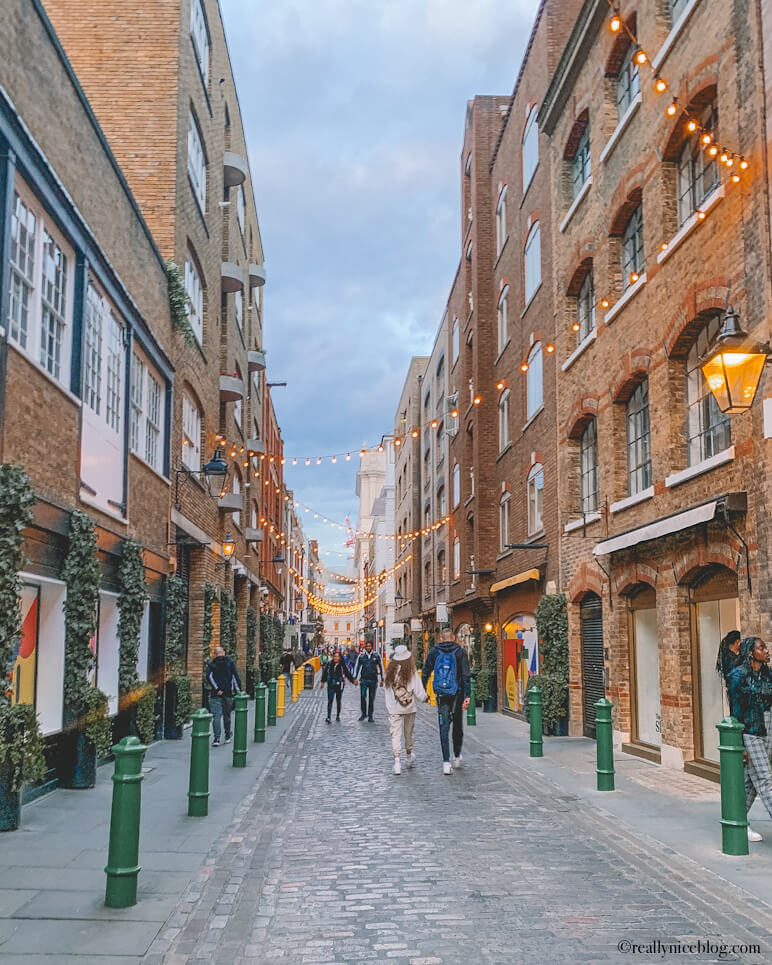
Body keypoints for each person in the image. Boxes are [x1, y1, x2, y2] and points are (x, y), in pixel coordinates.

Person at [726, 636, 772, 843]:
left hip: (768, 728)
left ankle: (736, 818)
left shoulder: (766, 674)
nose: (767, 651)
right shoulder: (738, 676)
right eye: (762, 648)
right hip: (750, 731)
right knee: (765, 779)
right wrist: (740, 743)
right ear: (750, 652)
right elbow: (736, 711)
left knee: (750, 783)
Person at [422, 627, 471, 775]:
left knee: (443, 726)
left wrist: (423, 690)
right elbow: (465, 675)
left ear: (441, 639)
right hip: (457, 692)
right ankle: (457, 755)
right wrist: (467, 696)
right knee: (457, 725)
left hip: (441, 694)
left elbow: (425, 671)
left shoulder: (435, 651)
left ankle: (445, 762)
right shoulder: (461, 652)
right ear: (454, 638)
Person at [385, 644, 428, 774]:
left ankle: (397, 762)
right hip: (409, 706)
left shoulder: (390, 671)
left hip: (395, 707)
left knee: (395, 734)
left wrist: (390, 707)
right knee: (408, 733)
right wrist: (425, 698)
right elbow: (418, 688)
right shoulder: (411, 670)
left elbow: (387, 691)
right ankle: (409, 757)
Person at [206, 646, 242, 747]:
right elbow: (235, 677)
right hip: (228, 693)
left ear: (215, 654)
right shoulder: (229, 663)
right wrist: (239, 691)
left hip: (215, 694)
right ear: (223, 652)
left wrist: (217, 689)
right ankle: (227, 736)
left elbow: (209, 677)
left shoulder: (212, 664)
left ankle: (216, 738)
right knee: (227, 715)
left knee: (216, 716)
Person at [320, 650, 356, 723]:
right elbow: (325, 673)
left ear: (340, 657)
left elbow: (347, 674)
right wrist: (322, 682)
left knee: (338, 700)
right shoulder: (329, 664)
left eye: (337, 656)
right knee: (330, 700)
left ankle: (338, 715)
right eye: (335, 656)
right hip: (331, 684)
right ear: (333, 657)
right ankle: (328, 717)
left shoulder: (342, 665)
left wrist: (353, 681)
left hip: (339, 684)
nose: (336, 658)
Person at [354, 634, 384, 722]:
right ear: (365, 647)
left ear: (372, 647)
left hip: (373, 680)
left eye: (369, 646)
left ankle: (370, 715)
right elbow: (357, 667)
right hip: (363, 679)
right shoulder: (361, 656)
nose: (368, 647)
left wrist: (382, 679)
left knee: (371, 698)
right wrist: (355, 677)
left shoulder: (376, 655)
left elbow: (381, 667)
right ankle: (363, 714)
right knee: (363, 697)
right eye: (367, 646)